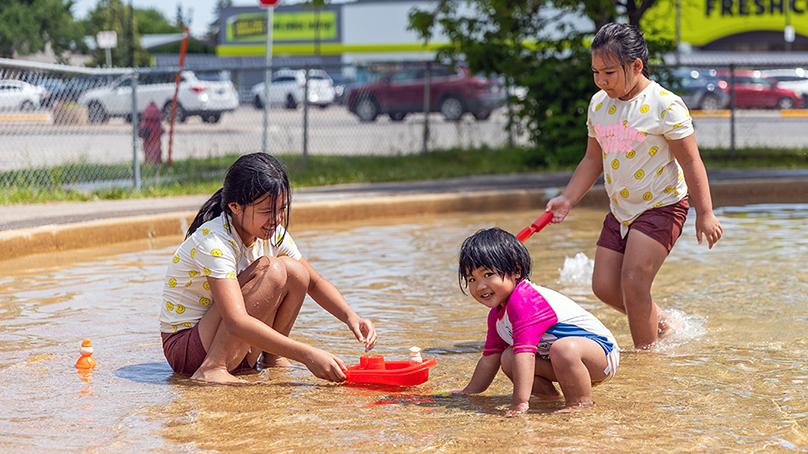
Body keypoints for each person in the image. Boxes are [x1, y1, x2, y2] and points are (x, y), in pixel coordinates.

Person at [544, 23, 723, 349]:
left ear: (636, 66)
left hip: (662, 205)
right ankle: (663, 322)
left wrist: (706, 213)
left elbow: (692, 161)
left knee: (633, 282)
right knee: (603, 285)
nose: (601, 80)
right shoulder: (599, 105)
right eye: (596, 72)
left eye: (609, 72)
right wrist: (568, 198)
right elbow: (591, 161)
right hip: (622, 209)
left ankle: (646, 361)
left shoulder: (665, 106)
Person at [159, 152, 378, 384]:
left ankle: (272, 358)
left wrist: (351, 316)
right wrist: (308, 355)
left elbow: (314, 282)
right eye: (267, 211)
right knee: (271, 269)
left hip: (227, 340)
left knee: (296, 271)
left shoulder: (272, 234)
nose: (277, 219)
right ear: (235, 206)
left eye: (282, 209)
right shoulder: (214, 242)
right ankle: (214, 368)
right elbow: (235, 321)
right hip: (187, 348)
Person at [456, 228, 619, 416]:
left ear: (516, 271)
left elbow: (526, 354)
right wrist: (468, 392)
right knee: (508, 358)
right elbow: (489, 359)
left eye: (488, 274)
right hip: (560, 361)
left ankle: (580, 404)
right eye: (471, 279)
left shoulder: (525, 300)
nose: (480, 286)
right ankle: (548, 399)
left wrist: (519, 404)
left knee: (561, 349)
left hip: (601, 355)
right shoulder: (497, 315)